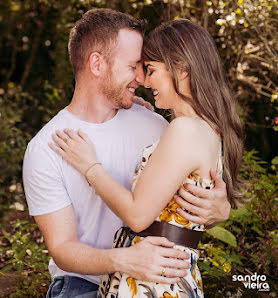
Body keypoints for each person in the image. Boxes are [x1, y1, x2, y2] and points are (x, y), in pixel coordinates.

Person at [23, 9, 231, 298]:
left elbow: (180, 205)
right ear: (97, 64)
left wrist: (219, 211)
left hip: (153, 281)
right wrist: (124, 260)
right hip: (83, 283)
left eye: (148, 68)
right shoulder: (47, 147)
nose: (141, 79)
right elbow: (61, 249)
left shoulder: (159, 126)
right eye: (134, 65)